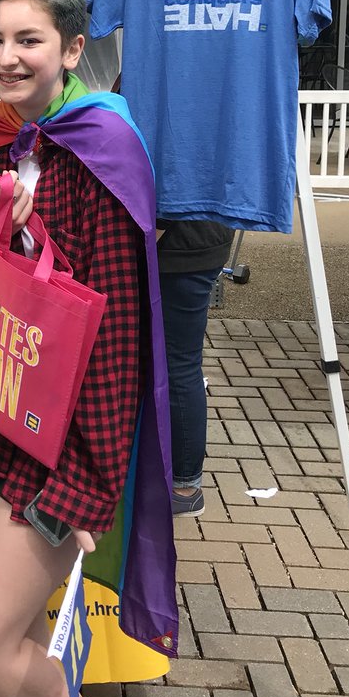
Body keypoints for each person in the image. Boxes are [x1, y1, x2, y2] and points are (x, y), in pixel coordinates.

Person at [0, 0, 176, 697]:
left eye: (28, 39)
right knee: (4, 632)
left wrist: (86, 479)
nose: (6, 56)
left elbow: (116, 336)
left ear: (72, 48)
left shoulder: (104, 149)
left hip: (60, 450)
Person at [157, 221, 233, 518]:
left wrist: (149, 237)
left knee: (179, 366)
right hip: (202, 240)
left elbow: (173, 183)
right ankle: (182, 482)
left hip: (179, 247)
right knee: (180, 364)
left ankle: (185, 487)